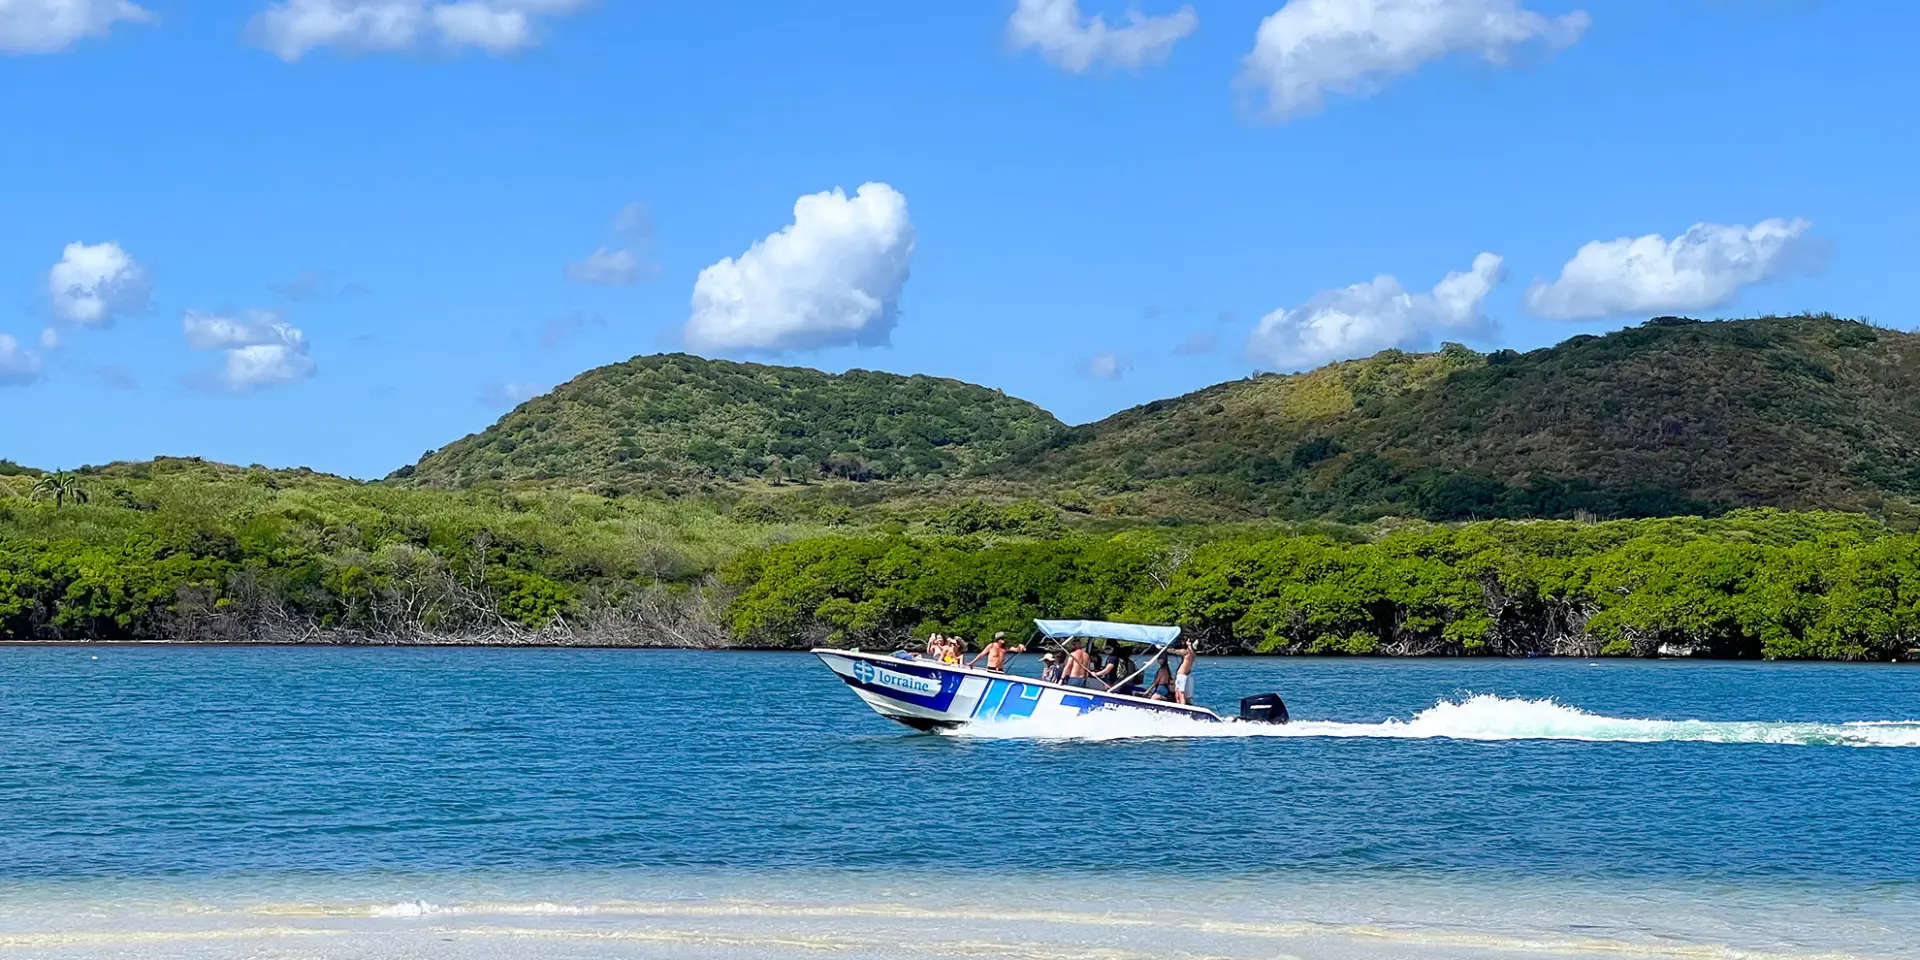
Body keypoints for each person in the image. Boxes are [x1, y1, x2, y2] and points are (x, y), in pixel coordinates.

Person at [1172, 639, 1197, 705]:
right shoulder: (1193, 653)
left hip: (1181, 675)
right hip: (1182, 675)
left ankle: (1183, 709)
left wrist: (1163, 648)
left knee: (1181, 694)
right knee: (1177, 694)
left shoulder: (1186, 652)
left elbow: (1174, 651)